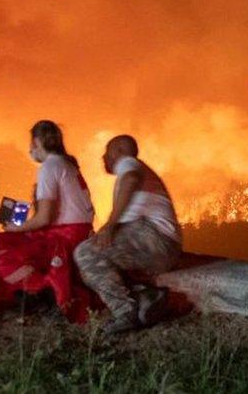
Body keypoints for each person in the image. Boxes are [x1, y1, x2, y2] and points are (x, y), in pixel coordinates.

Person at [0, 120, 96, 322]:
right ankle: (39, 290)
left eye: (31, 143)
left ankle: (42, 291)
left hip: (64, 238)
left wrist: (16, 227)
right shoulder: (68, 164)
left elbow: (45, 218)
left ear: (36, 141)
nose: (30, 149)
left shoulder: (49, 166)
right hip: (77, 233)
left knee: (0, 246)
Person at [74, 135, 182, 334]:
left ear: (119, 151)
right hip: (162, 246)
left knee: (86, 253)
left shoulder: (129, 163)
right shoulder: (140, 169)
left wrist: (110, 225)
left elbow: (131, 178)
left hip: (154, 238)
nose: (103, 157)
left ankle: (125, 312)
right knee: (101, 252)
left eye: (107, 152)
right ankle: (147, 297)